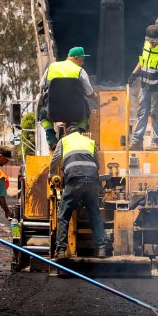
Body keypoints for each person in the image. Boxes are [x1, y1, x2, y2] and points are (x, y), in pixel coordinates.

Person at [50, 124, 108, 259]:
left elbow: (55, 160)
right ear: (79, 133)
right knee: (95, 214)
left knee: (64, 215)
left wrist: (51, 174)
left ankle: (61, 250)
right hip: (92, 180)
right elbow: (98, 165)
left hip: (74, 180)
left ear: (68, 134)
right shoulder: (89, 141)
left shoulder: (64, 141)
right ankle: (101, 249)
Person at [37, 47, 97, 151]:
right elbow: (89, 93)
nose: (82, 63)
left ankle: (52, 140)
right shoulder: (80, 71)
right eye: (82, 60)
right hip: (75, 112)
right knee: (86, 113)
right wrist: (96, 97)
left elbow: (42, 85)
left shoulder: (51, 67)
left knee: (43, 115)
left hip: (53, 111)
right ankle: (80, 135)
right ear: (76, 57)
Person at [127, 24, 158, 151]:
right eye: (150, 41)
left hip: (157, 88)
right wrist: (134, 74)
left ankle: (157, 142)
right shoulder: (146, 44)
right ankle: (137, 141)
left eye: (154, 41)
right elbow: (142, 61)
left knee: (156, 114)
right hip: (145, 86)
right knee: (142, 113)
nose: (151, 43)